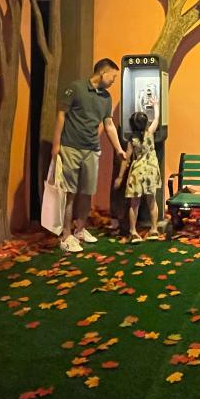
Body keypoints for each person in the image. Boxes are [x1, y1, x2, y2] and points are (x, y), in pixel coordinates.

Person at [51, 58, 127, 253]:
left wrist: (119, 148)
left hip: (92, 149)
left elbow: (108, 125)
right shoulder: (76, 88)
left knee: (87, 192)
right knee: (70, 192)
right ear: (103, 72)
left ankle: (80, 230)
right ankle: (66, 235)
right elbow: (61, 114)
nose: (114, 80)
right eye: (113, 76)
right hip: (71, 147)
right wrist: (56, 144)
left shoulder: (106, 97)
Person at [113, 110, 161, 242]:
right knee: (152, 201)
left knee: (134, 204)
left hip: (137, 172)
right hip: (151, 171)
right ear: (146, 124)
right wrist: (156, 106)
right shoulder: (150, 133)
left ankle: (133, 232)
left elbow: (126, 159)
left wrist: (120, 177)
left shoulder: (132, 140)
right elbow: (156, 119)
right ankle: (154, 229)